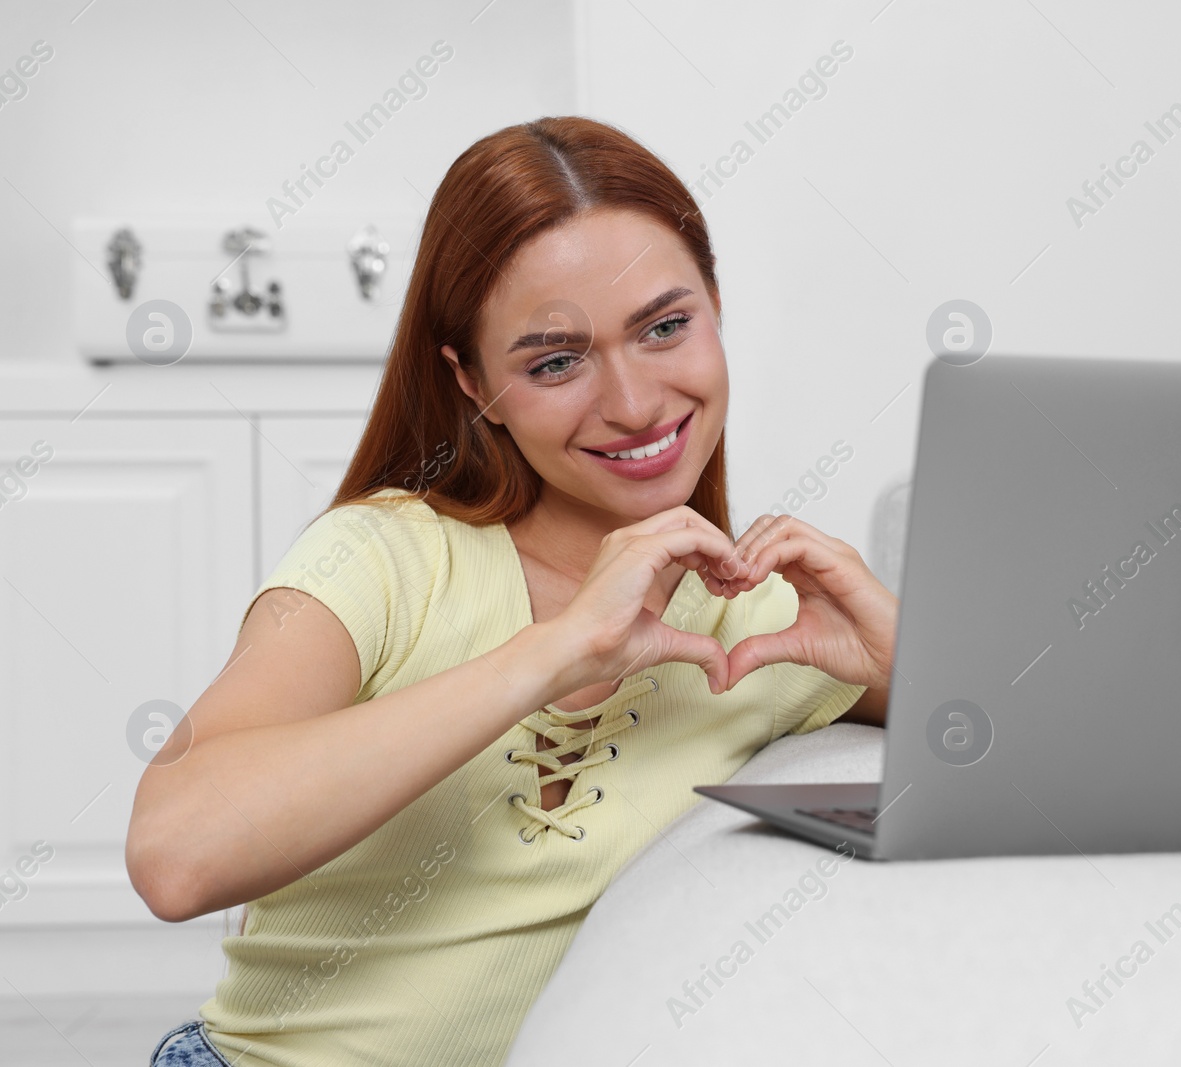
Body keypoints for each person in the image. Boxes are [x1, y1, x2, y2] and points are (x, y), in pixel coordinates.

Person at [128, 115, 898, 1066]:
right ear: (471, 380)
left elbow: (1081, 763)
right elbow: (175, 856)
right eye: (556, 361)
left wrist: (898, 647)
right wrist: (557, 649)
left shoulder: (760, 621)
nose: (633, 402)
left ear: (715, 307)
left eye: (666, 326)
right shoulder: (378, 559)